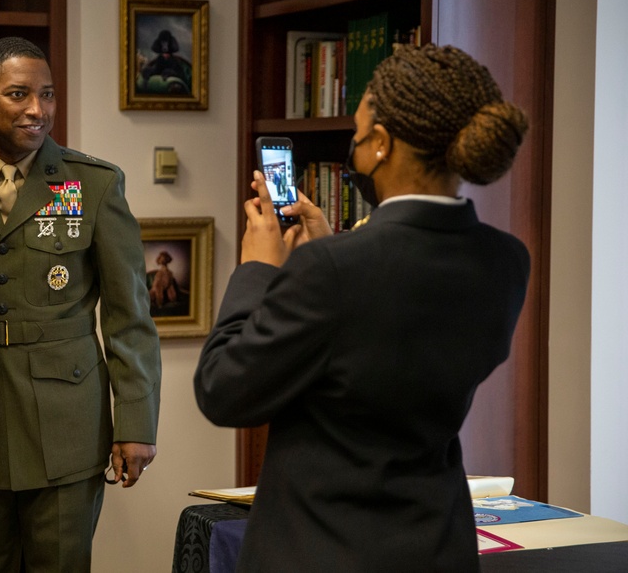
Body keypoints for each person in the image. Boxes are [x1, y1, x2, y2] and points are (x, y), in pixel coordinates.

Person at [194, 43, 531, 572]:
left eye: (356, 135)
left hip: (322, 550)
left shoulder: (334, 272)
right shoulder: (507, 262)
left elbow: (223, 391)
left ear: (379, 145)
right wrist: (331, 251)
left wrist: (257, 270)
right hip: (437, 545)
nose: (353, 147)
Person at [0, 36, 161, 572]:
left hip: (67, 422)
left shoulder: (94, 184)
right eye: (19, 94)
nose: (37, 109)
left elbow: (130, 316)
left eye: (48, 94)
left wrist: (136, 423)